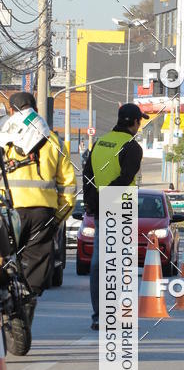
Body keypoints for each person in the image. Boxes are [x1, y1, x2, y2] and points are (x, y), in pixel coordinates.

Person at [0, 91, 76, 323]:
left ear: (11, 111)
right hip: (42, 213)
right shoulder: (54, 141)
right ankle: (27, 298)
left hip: (7, 212)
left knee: (4, 255)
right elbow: (69, 186)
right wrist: (58, 217)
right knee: (37, 261)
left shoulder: (4, 139)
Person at [83, 103, 146, 330]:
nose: (140, 125)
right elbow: (125, 177)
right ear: (134, 122)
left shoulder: (100, 142)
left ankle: (100, 315)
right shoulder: (132, 147)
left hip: (101, 208)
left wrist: (92, 202)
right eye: (140, 121)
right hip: (121, 209)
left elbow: (87, 174)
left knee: (100, 264)